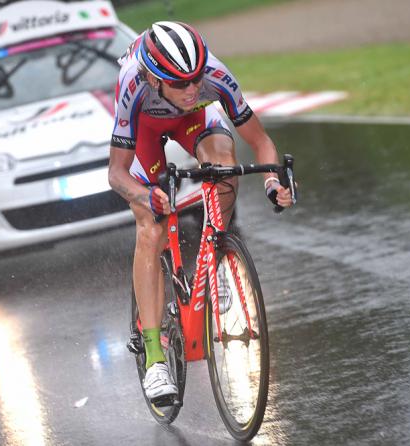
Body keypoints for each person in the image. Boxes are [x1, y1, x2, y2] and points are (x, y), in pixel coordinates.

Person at [108, 21, 294, 402]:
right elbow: (117, 174)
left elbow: (260, 142)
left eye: (196, 79)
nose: (192, 89)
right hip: (144, 130)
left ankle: (215, 257)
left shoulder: (215, 75)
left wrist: (274, 183)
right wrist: (145, 197)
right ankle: (156, 356)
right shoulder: (133, 84)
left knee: (224, 166)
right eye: (180, 83)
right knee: (152, 228)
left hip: (195, 123)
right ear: (155, 79)